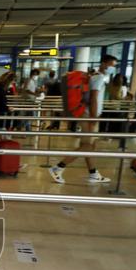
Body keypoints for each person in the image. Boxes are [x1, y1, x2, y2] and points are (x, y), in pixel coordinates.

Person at [48, 54, 116, 184]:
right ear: (104, 64)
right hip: (89, 115)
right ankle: (58, 167)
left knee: (89, 146)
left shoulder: (94, 76)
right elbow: (94, 98)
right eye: (111, 65)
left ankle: (93, 173)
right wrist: (94, 118)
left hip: (87, 114)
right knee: (87, 145)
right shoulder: (99, 78)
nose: (113, 68)